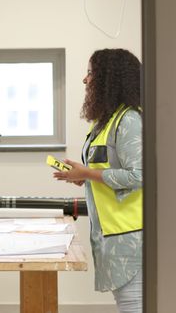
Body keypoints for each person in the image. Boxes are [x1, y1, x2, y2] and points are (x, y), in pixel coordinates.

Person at [53, 48, 143, 313]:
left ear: (108, 78)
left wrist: (88, 174)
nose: (85, 80)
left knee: (133, 305)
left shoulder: (129, 120)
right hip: (113, 235)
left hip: (132, 236)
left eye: (90, 73)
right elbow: (110, 171)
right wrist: (85, 178)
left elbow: (140, 175)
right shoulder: (106, 122)